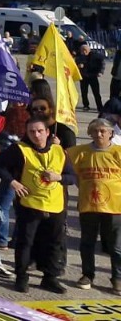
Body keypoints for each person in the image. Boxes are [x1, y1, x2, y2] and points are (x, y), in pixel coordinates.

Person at [67, 118, 121, 291]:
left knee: (116, 245)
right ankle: (87, 275)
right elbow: (67, 169)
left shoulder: (118, 153)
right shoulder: (78, 152)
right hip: (88, 206)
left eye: (103, 131)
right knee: (87, 243)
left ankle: (118, 277)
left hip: (115, 207)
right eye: (95, 131)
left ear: (111, 133)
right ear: (89, 133)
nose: (99, 134)